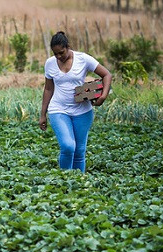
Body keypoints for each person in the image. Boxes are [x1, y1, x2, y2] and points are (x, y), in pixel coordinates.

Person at [39, 31, 111, 172]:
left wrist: (103, 96)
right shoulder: (50, 63)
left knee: (79, 151)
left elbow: (107, 74)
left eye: (61, 52)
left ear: (68, 46)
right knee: (67, 146)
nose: (59, 57)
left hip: (82, 111)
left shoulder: (83, 59)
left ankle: (78, 185)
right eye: (56, 54)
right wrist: (43, 114)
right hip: (58, 109)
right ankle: (64, 180)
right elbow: (48, 89)